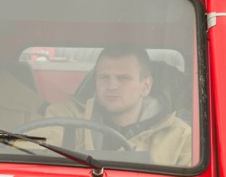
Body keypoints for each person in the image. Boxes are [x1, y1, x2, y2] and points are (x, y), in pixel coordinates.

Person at [41, 43, 192, 166]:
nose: (112, 85)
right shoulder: (64, 118)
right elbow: (32, 158)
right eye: (104, 77)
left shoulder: (180, 137)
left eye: (123, 78)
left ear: (146, 86)